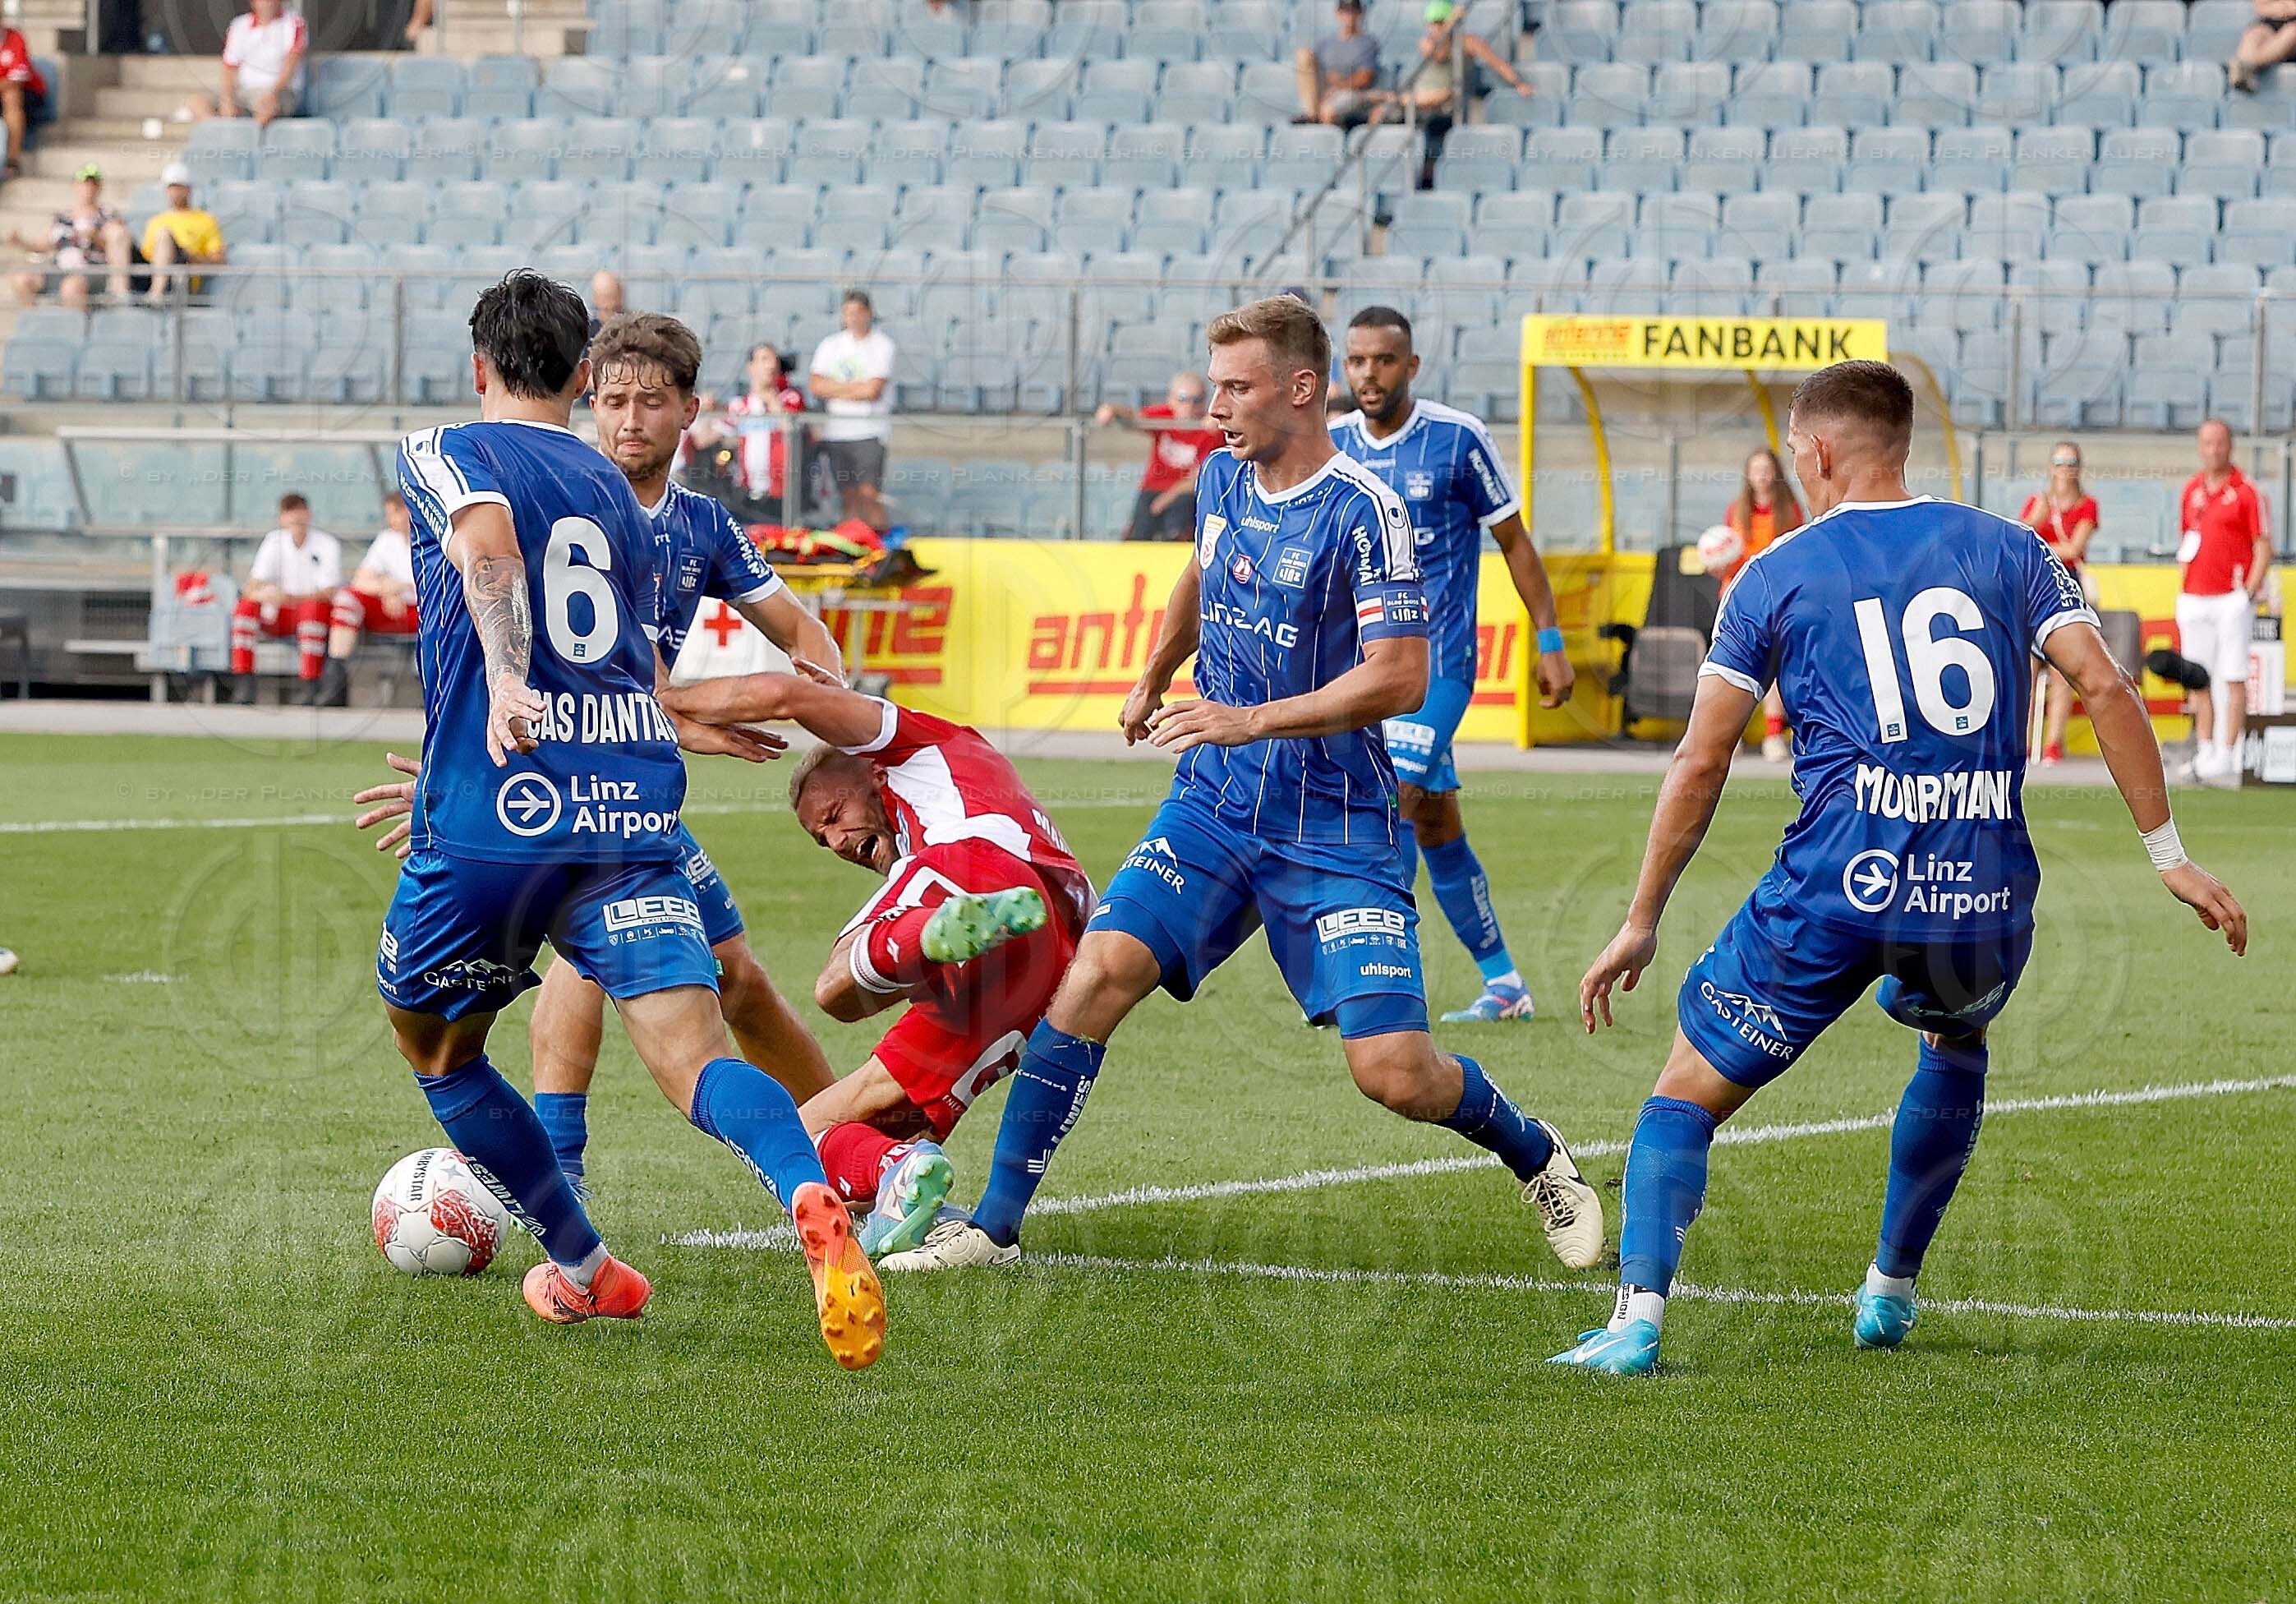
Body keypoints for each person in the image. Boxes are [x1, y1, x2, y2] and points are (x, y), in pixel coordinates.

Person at [874, 295, 1605, 1274]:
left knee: (1391, 1072)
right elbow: (1198, 571)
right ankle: (996, 1228)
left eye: (1234, 386)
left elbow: (1400, 674)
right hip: (1215, 802)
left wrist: (1250, 717)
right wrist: (1151, 670)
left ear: (1299, 389)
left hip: (1334, 822)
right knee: (1093, 976)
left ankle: (1534, 1151)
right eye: (1212, 383)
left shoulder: (1364, 510)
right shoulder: (1223, 477)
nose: (1213, 406)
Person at [1556, 361, 2248, 1377]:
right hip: (1979, 895)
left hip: (1833, 889)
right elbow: (2101, 685)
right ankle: (1888, 1289)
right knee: (1953, 1042)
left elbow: (1700, 757)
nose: (1796, 472)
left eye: (1796, 455)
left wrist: (1641, 916)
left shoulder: (1776, 572)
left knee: (1680, 1095)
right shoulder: (2013, 550)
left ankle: (1638, 1320)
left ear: (1822, 452)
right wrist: (2168, 856)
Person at [375, 270, 885, 1367]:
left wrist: (504, 690)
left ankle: (586, 1266)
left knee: (440, 1049)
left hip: (499, 814)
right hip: (627, 808)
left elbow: (491, 554)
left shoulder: (445, 446)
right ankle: (810, 1186)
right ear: (578, 378)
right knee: (695, 1052)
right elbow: (625, 658)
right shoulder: (622, 498)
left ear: (479, 368)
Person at [658, 663, 1095, 1258]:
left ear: (869, 768)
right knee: (815, 1137)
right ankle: (902, 1170)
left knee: (834, 987)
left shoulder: (913, 746)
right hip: (1048, 967)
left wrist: (666, 701)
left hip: (980, 866)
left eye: (834, 816)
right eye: (821, 840)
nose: (836, 842)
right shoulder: (988, 793)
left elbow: (785, 693)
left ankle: (928, 935)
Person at [1330, 306, 1574, 1023]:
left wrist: (1550, 642)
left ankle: (1380, 987)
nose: (1368, 375)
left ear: (1410, 366)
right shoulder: (1333, 445)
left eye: (1382, 361)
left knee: (1389, 802)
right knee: (1435, 826)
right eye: (1356, 361)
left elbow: (1516, 542)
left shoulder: (1456, 439)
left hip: (1439, 666)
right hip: (1364, 668)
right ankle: (1504, 984)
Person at [2175, 419, 2273, 785]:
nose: (2213, 450)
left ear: (2230, 446)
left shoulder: (2247, 491)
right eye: (2207, 443)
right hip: (2196, 595)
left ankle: (2229, 753)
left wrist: (2248, 590)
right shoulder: (2192, 491)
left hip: (2231, 595)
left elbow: (2263, 543)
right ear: (2200, 447)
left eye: (2219, 443)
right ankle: (2205, 751)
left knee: (2232, 674)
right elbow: (2187, 538)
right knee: (2198, 677)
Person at [1717, 448, 1805, 762]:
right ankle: (1732, 735)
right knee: (1736, 669)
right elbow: (1728, 556)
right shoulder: (1736, 511)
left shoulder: (1790, 512)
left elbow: (1797, 557)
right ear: (1747, 475)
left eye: (1767, 469)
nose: (1762, 475)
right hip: (1740, 601)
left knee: (1775, 670)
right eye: (1755, 469)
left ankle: (1773, 734)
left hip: (1777, 601)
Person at [2018, 442, 2100, 766]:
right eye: (2060, 462)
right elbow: (2017, 537)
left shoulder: (2087, 505)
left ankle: (2053, 743)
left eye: (2071, 462)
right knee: (2025, 669)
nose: (2065, 468)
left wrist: (2038, 538)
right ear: (2051, 467)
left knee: (2062, 670)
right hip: (2034, 589)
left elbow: (2074, 550)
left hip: (2065, 589)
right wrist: (2036, 525)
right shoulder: (2038, 502)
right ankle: (2022, 743)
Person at [229, 492, 339, 701]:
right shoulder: (273, 541)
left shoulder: (327, 544)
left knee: (312, 611)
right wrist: (266, 593)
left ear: (309, 514)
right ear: (282, 517)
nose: (295, 518)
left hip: (312, 613)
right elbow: (252, 586)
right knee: (245, 609)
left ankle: (310, 685)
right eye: (290, 512)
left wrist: (288, 598)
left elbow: (328, 593)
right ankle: (244, 681)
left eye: (299, 511)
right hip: (280, 614)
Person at [316, 491, 418, 705]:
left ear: (407, 511)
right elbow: (360, 580)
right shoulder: (387, 539)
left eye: (393, 513)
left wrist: (396, 587)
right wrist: (387, 589)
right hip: (391, 611)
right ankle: (335, 679)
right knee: (347, 599)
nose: (389, 520)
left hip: (423, 613)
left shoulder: (432, 540)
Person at [808, 291, 895, 532]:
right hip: (837, 433)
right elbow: (816, 384)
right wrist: (856, 388)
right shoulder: (831, 344)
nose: (853, 318)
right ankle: (852, 550)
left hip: (869, 432)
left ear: (868, 313)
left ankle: (882, 548)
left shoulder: (882, 345)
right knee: (848, 497)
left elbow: (873, 390)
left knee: (869, 496)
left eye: (858, 312)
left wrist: (835, 388)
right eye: (848, 313)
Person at [1097, 371, 1221, 542]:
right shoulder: (1165, 416)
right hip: (1154, 488)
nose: (1190, 406)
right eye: (1183, 399)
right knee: (1140, 530)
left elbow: (1200, 476)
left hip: (1186, 494)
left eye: (1197, 400)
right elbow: (1135, 417)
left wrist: (1166, 499)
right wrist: (1113, 410)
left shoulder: (1212, 429)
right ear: (1171, 400)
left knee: (1178, 520)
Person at [694, 343, 806, 518]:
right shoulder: (740, 406)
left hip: (783, 495)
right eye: (764, 359)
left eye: (774, 360)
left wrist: (771, 400)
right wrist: (708, 413)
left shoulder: (789, 398)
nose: (771, 365)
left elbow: (792, 429)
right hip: (747, 493)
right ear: (751, 367)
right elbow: (703, 440)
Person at [1378, 0, 1532, 119]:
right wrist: (1450, 22)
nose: (1436, 28)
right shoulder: (1426, 42)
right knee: (1379, 113)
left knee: (1438, 95)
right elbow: (1439, 54)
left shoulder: (1469, 42)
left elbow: (1496, 63)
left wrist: (1519, 83)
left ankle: (1400, 100)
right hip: (1421, 94)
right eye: (1433, 23)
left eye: (1440, 22)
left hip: (1445, 98)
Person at [7, 164, 133, 307]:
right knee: (21, 277)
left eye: (93, 184)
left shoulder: (108, 215)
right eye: (84, 184)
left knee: (71, 288)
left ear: (99, 188)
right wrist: (21, 242)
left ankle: (75, 327)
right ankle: (35, 322)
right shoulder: (62, 217)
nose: (88, 188)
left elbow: (117, 248)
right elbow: (42, 246)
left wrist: (95, 237)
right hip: (60, 268)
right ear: (75, 186)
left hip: (90, 269)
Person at [186, 0, 307, 126]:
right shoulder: (239, 25)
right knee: (197, 101)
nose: (266, 3)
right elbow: (229, 66)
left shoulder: (294, 23)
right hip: (244, 91)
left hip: (278, 91)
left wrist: (273, 93)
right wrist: (227, 97)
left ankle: (248, 140)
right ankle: (222, 135)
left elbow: (291, 64)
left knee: (268, 106)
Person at [138, 161, 227, 302]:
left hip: (186, 274)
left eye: (179, 187)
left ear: (189, 189)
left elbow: (218, 259)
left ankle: (156, 295)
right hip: (157, 272)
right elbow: (147, 255)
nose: (175, 192)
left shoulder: (205, 219)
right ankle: (139, 294)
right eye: (172, 187)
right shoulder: (155, 221)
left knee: (164, 235)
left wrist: (192, 256)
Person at [1294, 0, 1382, 126]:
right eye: (1345, 12)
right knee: (1303, 54)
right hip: (1327, 89)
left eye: (1353, 12)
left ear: (1361, 14)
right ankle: (1311, 114)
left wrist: (1339, 86)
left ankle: (1326, 138)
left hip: (1351, 91)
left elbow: (1365, 77)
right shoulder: (1326, 43)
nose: (1349, 16)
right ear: (1338, 14)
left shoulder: (1367, 43)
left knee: (1329, 111)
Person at [0, 23, 50, 183]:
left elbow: (17, 78)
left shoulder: (14, 37)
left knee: (12, 96)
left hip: (29, 94)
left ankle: (12, 160)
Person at [2228, 0, 2296, 94]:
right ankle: (2244, 67)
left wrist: (2290, 8)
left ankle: (2246, 67)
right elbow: (2260, 7)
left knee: (2291, 32)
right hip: (2272, 21)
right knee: (2253, 35)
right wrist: (2279, 9)